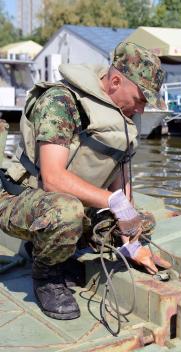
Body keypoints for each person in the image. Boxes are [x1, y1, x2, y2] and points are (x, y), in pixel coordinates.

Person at [0, 42, 169, 320]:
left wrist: (133, 243)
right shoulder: (62, 102)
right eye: (140, 98)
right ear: (115, 82)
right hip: (21, 197)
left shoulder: (123, 116)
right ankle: (47, 276)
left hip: (69, 201)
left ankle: (54, 246)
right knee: (67, 213)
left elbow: (120, 182)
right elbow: (53, 178)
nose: (141, 109)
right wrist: (114, 203)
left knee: (142, 220)